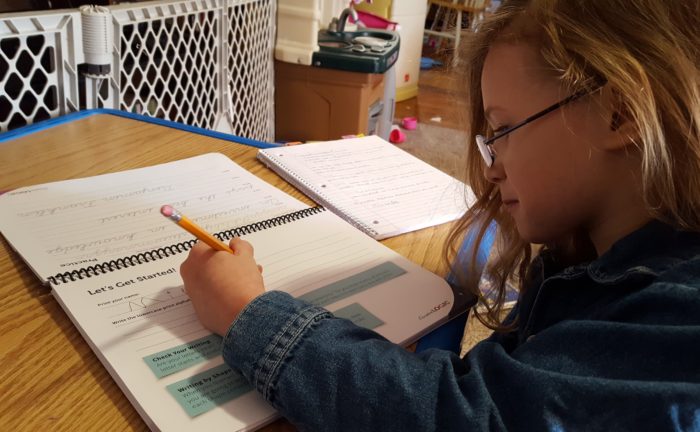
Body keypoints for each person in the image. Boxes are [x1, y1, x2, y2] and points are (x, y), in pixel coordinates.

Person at [180, 0, 700, 430]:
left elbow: (460, 416)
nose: (491, 171)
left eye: (502, 131)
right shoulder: (598, 259)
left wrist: (245, 310)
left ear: (622, 113)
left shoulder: (678, 317)